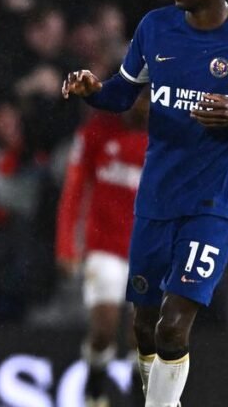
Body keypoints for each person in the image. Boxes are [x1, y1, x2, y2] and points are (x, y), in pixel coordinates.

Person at [61, 0, 228, 407]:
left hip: (214, 200)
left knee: (172, 326)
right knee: (144, 327)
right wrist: (94, 92)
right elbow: (123, 93)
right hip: (157, 197)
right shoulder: (154, 27)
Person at [55, 98, 148, 407]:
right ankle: (95, 379)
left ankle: (139, 396)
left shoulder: (165, 139)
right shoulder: (97, 131)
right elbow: (74, 188)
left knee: (144, 332)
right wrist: (67, 245)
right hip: (104, 244)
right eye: (139, 97)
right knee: (104, 327)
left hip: (146, 250)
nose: (144, 106)